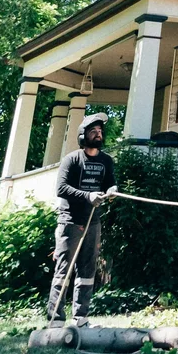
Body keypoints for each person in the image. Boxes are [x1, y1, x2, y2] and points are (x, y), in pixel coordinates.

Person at [47, 111, 118, 325]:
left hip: (93, 222)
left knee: (88, 271)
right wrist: (87, 196)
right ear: (83, 135)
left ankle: (81, 318)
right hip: (70, 222)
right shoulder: (72, 159)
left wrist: (112, 189)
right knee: (63, 270)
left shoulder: (106, 161)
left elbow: (109, 183)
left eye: (100, 131)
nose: (98, 134)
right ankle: (56, 318)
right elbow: (61, 188)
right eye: (93, 131)